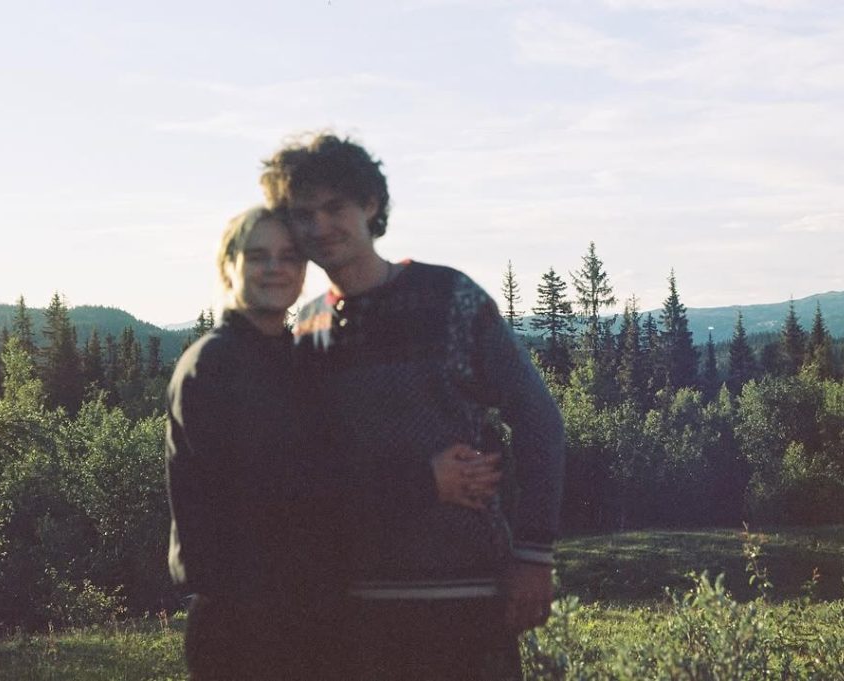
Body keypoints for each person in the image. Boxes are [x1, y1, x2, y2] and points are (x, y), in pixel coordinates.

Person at [261, 133, 567, 681]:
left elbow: (539, 420)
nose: (320, 226)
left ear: (370, 204)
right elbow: (310, 475)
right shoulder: (308, 327)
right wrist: (423, 480)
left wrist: (533, 555)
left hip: (466, 596)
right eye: (304, 214)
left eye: (334, 207)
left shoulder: (450, 298)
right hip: (354, 606)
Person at [165, 205, 503, 680]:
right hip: (247, 629)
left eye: (289, 256)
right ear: (228, 266)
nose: (275, 267)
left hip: (310, 622)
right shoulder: (216, 366)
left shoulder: (287, 360)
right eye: (258, 256)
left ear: (305, 269)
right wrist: (426, 481)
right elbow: (283, 496)